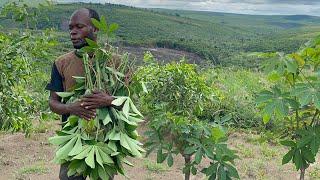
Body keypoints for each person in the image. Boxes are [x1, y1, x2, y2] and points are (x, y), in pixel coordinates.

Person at [46, 8, 115, 180]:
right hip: (73, 138)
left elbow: (129, 103)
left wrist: (109, 100)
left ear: (96, 29)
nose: (73, 32)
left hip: (104, 140)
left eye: (79, 27)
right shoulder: (61, 62)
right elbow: (52, 102)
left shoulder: (115, 62)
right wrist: (71, 107)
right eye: (71, 28)